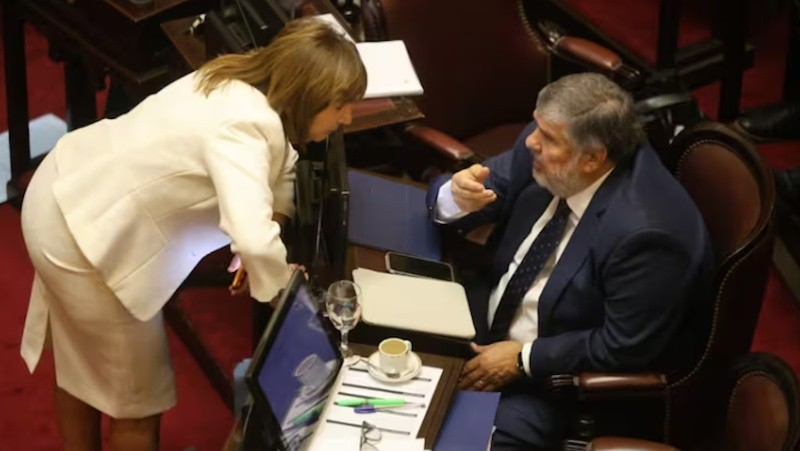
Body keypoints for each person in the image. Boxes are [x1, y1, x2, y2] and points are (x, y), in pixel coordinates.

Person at [19, 18, 366, 451]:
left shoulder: (234, 77)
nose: (348, 117)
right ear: (309, 94)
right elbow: (257, 241)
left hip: (63, 191)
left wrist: (267, 227)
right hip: (85, 243)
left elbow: (281, 168)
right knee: (139, 402)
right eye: (341, 105)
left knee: (79, 367)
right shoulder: (245, 129)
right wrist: (281, 289)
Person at [427, 73, 715, 450]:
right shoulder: (549, 141)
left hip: (550, 382)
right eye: (537, 127)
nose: (531, 140)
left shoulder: (648, 235)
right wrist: (457, 195)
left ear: (593, 158)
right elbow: (475, 190)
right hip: (480, 317)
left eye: (547, 138)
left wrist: (522, 359)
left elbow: (622, 345)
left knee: (450, 444)